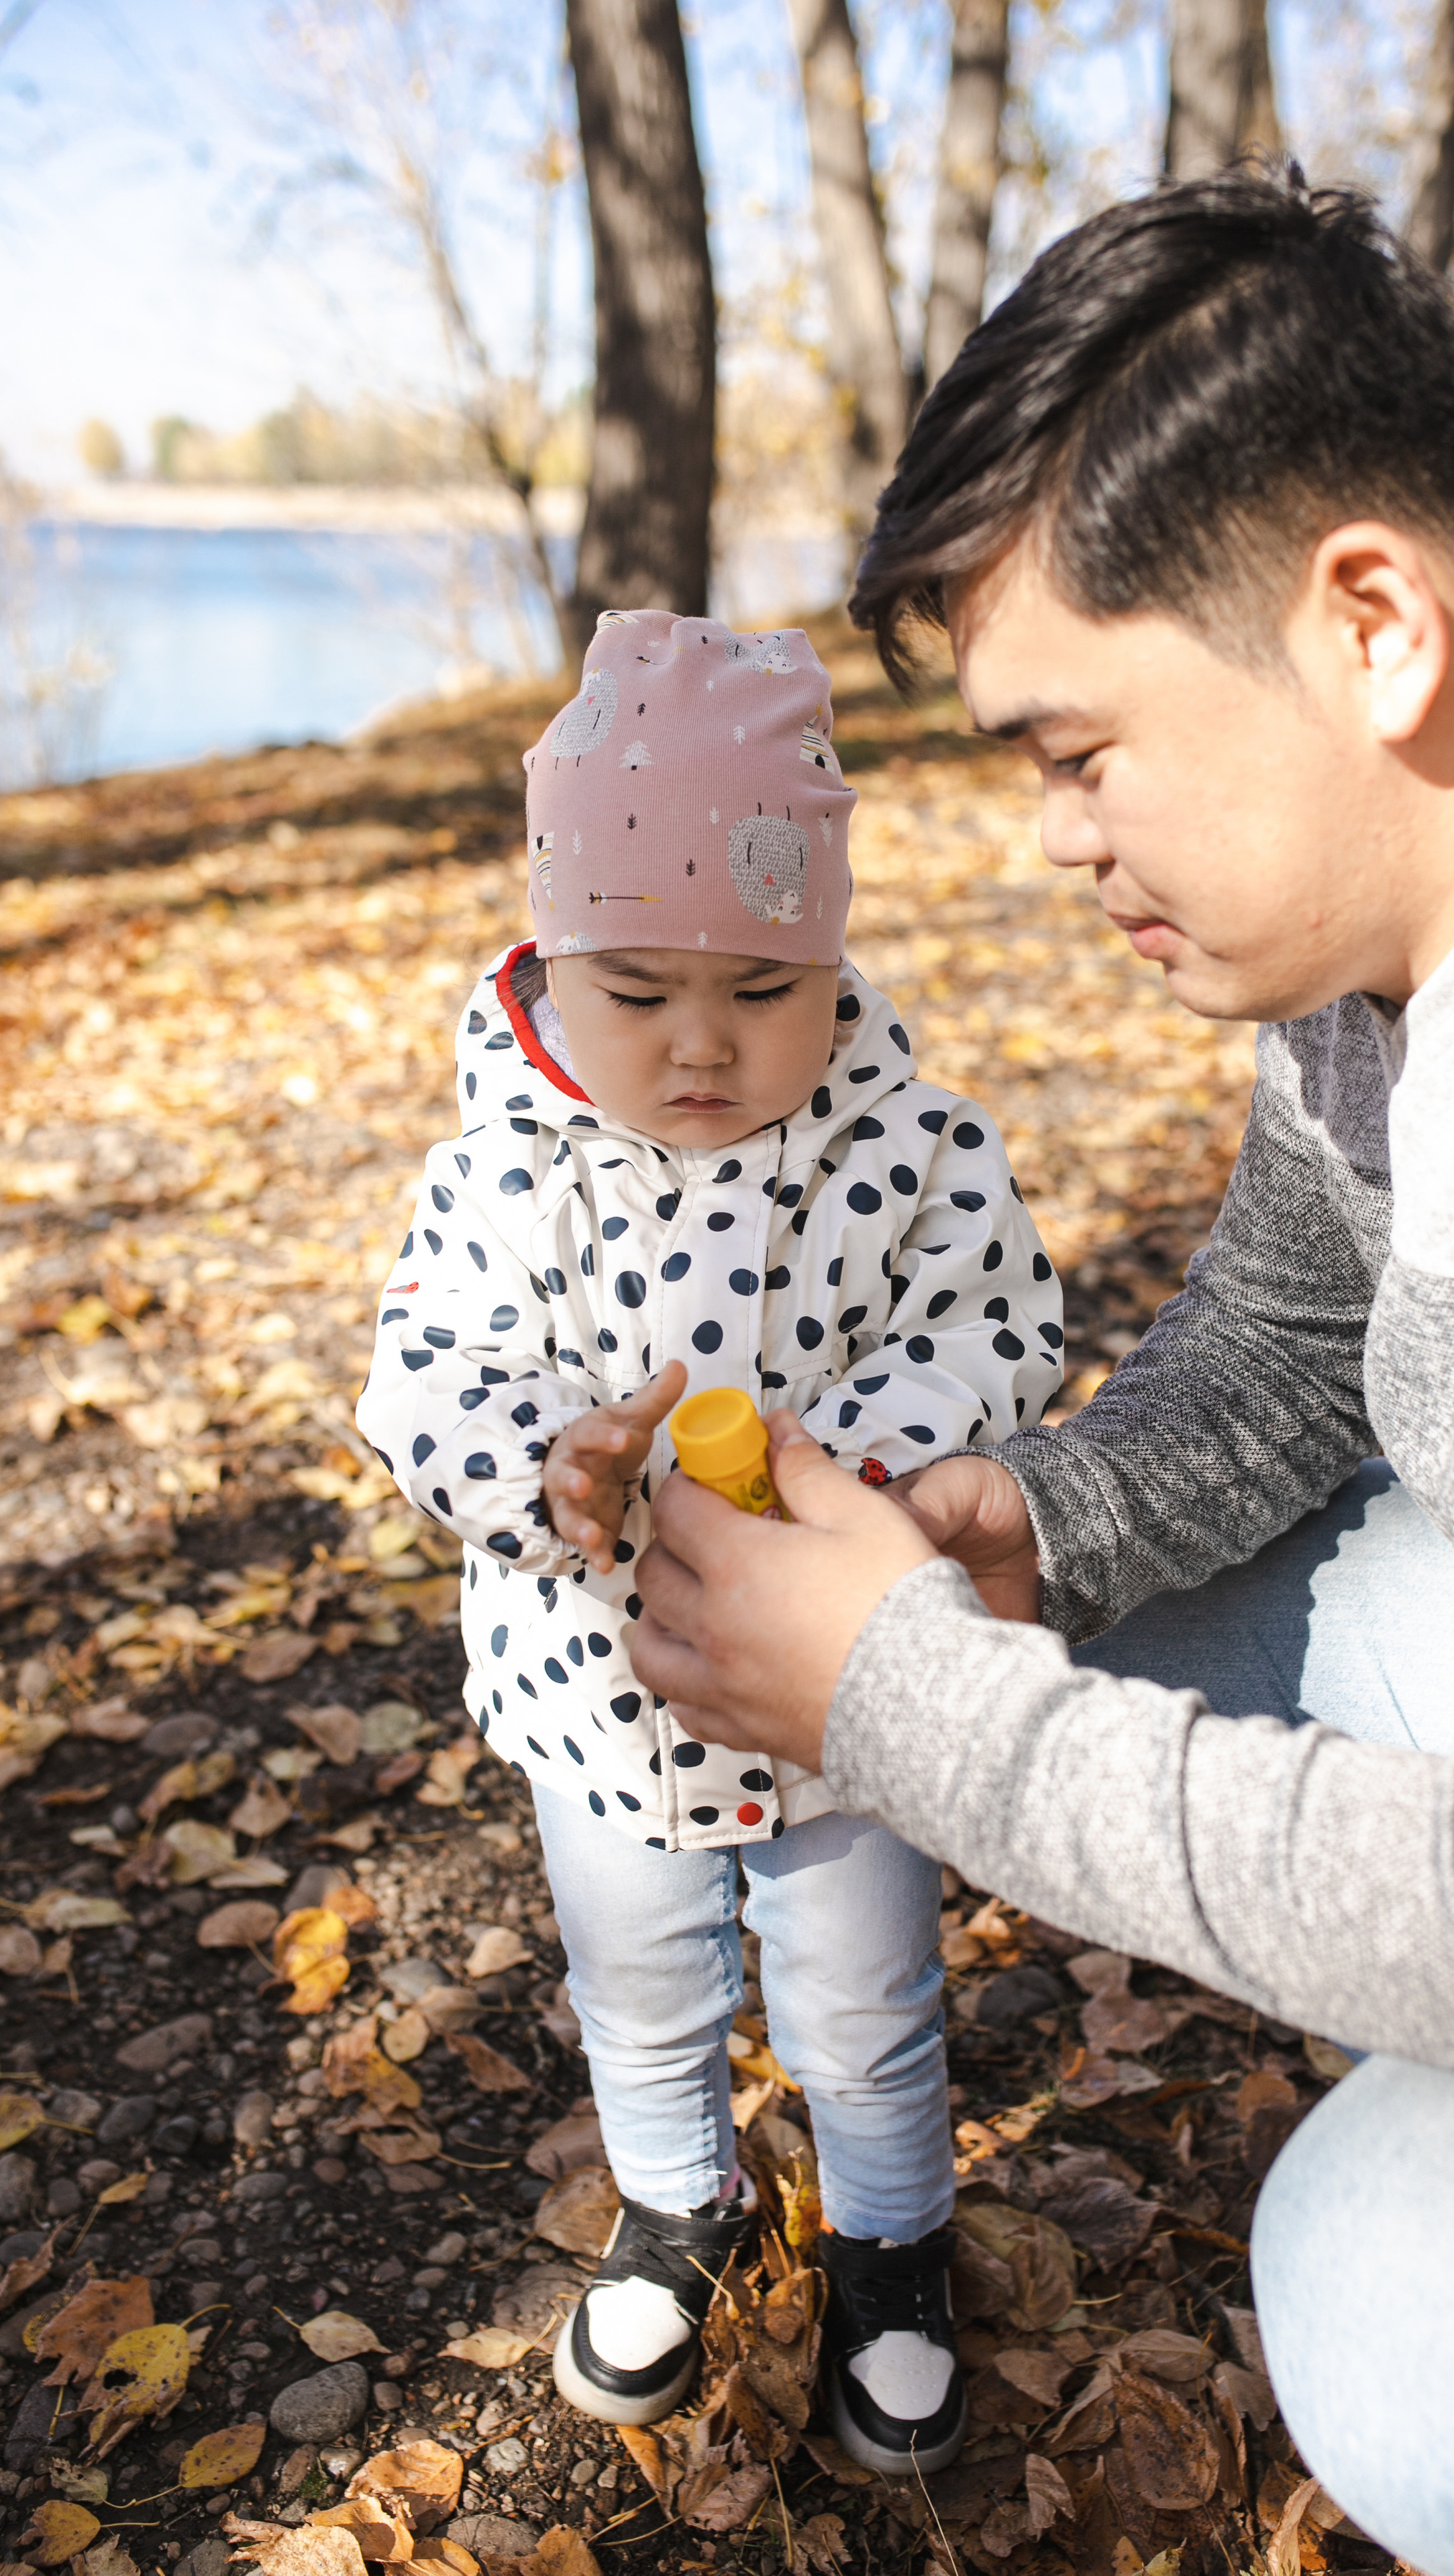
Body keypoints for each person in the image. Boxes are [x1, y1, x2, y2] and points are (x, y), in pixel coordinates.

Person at [624, 172, 1454, 2576]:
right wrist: (1047, 1520)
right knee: (1071, 1633)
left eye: (1082, 750)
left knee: (1423, 2313)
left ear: (1368, 623)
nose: (1052, 844)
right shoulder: (1398, 918)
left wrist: (913, 1710)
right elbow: (1302, 1335)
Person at [356, 608, 1063, 2472]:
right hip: (602, 1690)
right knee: (644, 1980)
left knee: (864, 1989)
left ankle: (889, 2238)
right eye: (637, 991)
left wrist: (880, 1450)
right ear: (551, 954)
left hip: (839, 1683)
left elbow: (998, 1323)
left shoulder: (909, 1142)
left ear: (828, 954)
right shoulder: (512, 1162)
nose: (696, 1050)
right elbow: (428, 1371)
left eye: (760, 992)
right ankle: (680, 2199)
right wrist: (539, 1471)